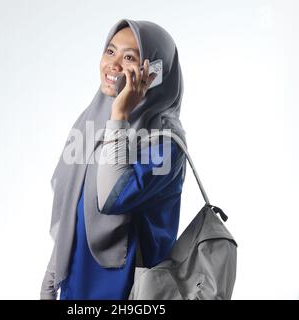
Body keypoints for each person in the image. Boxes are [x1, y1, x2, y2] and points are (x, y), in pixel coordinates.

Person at [40, 18, 188, 300]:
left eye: (130, 57)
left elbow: (111, 198)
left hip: (130, 291)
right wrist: (51, 279)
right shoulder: (91, 122)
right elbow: (72, 209)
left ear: (154, 73)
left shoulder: (166, 143)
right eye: (110, 51)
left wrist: (120, 114)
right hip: (75, 288)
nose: (114, 64)